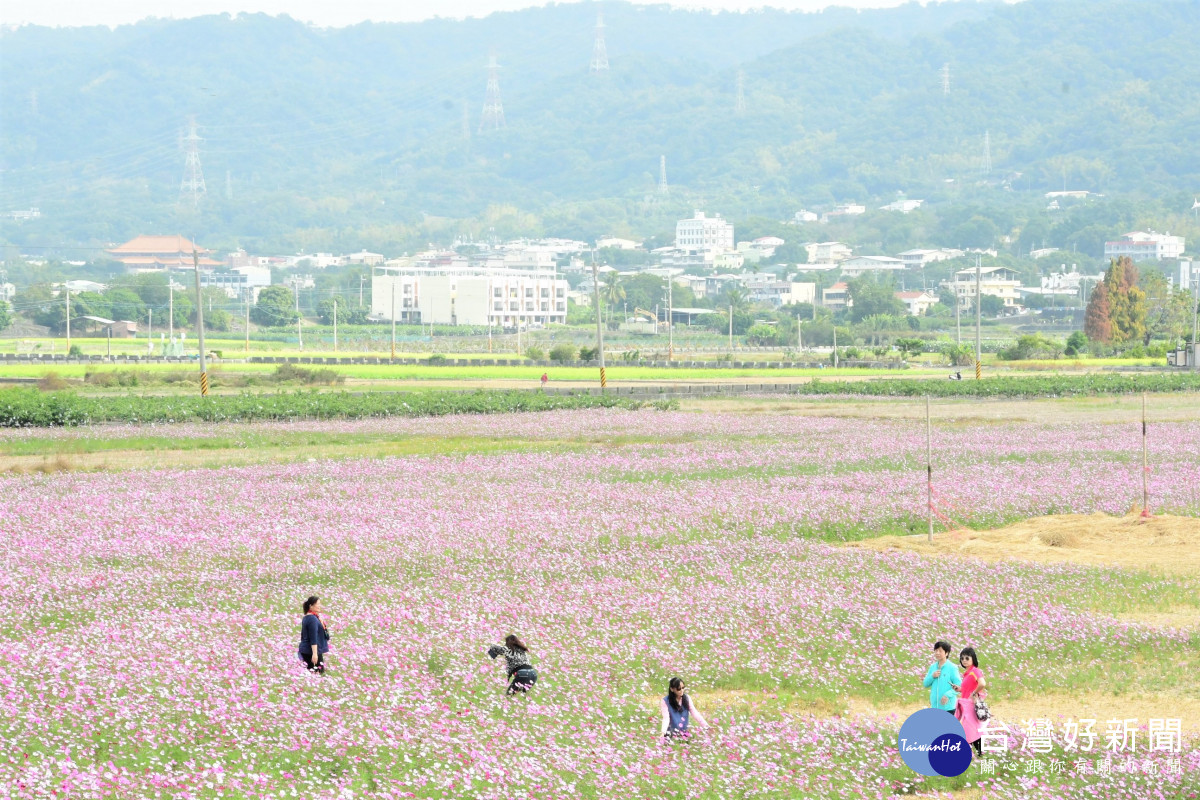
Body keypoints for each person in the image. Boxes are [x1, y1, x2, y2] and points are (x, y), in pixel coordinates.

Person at [953, 647, 987, 755]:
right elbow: (967, 688)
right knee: (970, 729)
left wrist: (974, 693)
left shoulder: (975, 671)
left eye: (967, 658)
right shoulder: (967, 673)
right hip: (966, 704)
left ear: (973, 658)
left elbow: (982, 683)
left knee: (970, 729)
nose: (964, 660)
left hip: (971, 705)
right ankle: (978, 754)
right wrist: (959, 689)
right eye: (962, 658)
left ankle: (978, 753)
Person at [923, 640, 960, 713]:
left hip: (948, 707)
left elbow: (959, 686)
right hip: (935, 706)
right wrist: (932, 676)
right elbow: (925, 684)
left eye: (940, 651)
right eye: (936, 651)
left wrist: (947, 695)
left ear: (946, 653)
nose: (937, 653)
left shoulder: (952, 668)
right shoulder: (933, 667)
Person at [298, 595, 330, 673]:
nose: (319, 606)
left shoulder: (307, 617)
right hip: (311, 652)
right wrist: (315, 654)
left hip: (306, 650)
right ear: (311, 606)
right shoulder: (312, 619)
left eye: (319, 604)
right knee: (318, 675)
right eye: (317, 604)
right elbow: (313, 637)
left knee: (312, 674)